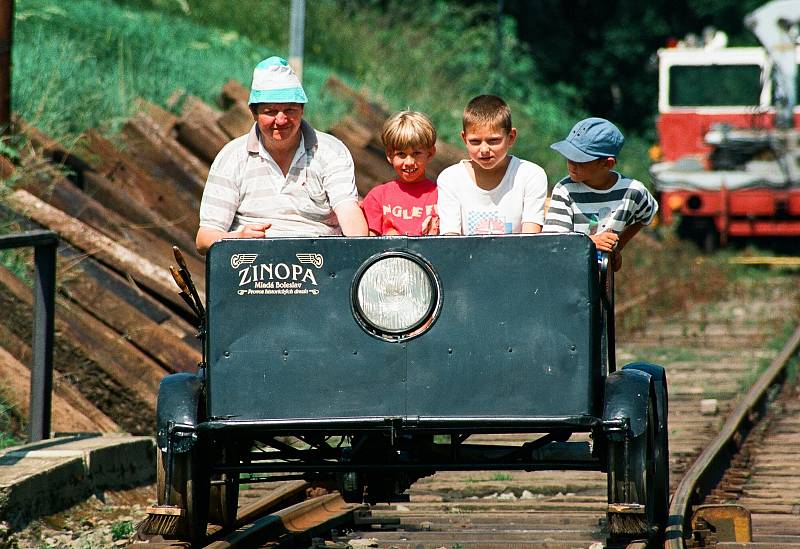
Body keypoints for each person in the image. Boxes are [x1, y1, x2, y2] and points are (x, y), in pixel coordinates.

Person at [196, 56, 367, 254]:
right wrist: (239, 238)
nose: (281, 119)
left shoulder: (330, 151)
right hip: (251, 268)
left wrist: (361, 249)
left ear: (302, 109)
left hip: (321, 263)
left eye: (290, 110)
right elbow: (204, 238)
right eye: (270, 111)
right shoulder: (231, 157)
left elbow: (349, 214)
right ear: (254, 112)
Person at [543, 117, 658, 271]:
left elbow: (647, 214)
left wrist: (618, 246)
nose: (571, 165)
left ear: (607, 164)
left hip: (600, 276)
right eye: (569, 156)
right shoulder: (565, 190)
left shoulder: (632, 191)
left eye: (580, 160)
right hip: (568, 273)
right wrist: (590, 242)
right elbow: (555, 242)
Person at [436, 95, 547, 235]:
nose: (484, 150)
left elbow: (531, 239)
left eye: (493, 141)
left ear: (511, 137)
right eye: (475, 142)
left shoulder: (531, 175)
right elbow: (451, 239)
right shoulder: (450, 179)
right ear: (464, 139)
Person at [361, 111, 439, 236]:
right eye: (401, 154)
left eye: (416, 153)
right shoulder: (377, 197)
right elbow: (370, 245)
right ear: (390, 155)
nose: (409, 162)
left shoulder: (442, 196)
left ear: (429, 153)